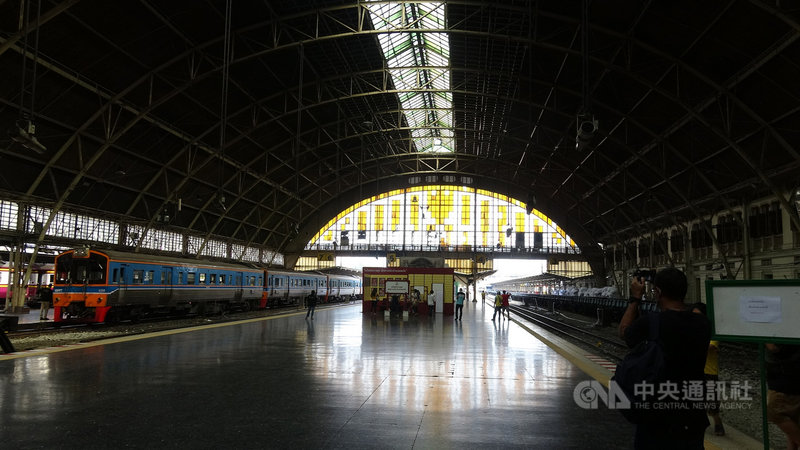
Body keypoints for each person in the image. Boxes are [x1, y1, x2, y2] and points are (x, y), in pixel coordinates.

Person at [618, 267, 711, 450]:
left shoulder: (653, 322)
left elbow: (623, 332)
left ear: (658, 292)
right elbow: (692, 313)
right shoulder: (703, 323)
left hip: (657, 417)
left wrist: (635, 299)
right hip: (693, 416)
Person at [692, 302, 725, 436]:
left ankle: (718, 422)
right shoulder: (691, 330)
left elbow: (710, 347)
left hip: (709, 371)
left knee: (712, 401)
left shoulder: (712, 331)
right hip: (694, 369)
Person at [765, 343, 800, 450]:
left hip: (784, 377)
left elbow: (775, 348)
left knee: (775, 413)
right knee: (793, 419)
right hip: (790, 374)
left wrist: (760, 332)